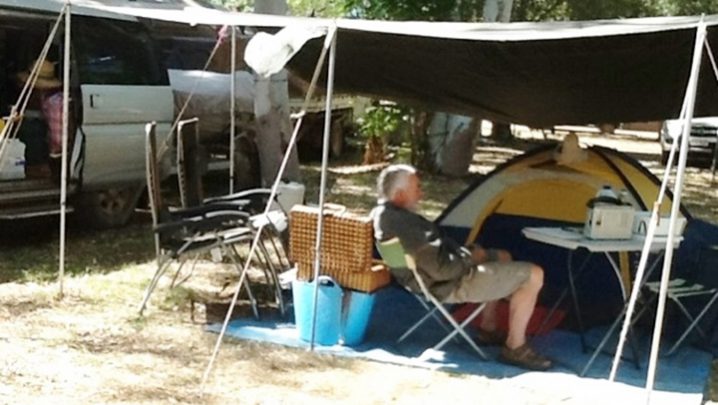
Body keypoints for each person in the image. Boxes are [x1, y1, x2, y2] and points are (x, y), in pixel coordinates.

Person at [372, 164, 552, 371]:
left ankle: (488, 328)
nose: (421, 193)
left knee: (503, 257)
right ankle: (515, 347)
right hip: (448, 284)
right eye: (417, 188)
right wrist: (471, 257)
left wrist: (471, 255)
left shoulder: (385, 216)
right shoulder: (403, 225)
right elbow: (443, 269)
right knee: (534, 275)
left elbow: (434, 261)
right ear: (400, 194)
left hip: (425, 280)